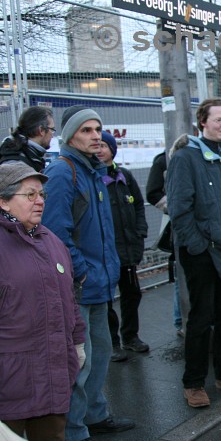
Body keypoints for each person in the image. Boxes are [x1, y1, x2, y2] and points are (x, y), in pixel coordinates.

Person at [0, 162, 86, 441]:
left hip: (52, 377)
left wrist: (77, 343)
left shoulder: (50, 240)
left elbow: (69, 299)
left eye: (41, 194)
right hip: (3, 382)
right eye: (29, 195)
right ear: (3, 201)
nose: (40, 200)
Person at [42, 105, 132, 441]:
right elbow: (56, 232)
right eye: (87, 130)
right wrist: (80, 272)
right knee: (79, 362)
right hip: (79, 285)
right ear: (70, 136)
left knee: (101, 354)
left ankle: (95, 415)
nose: (96, 136)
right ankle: (73, 436)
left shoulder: (93, 171)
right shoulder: (63, 173)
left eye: (98, 129)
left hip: (98, 283)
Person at [166, 98, 221, 409]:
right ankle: (193, 383)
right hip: (203, 256)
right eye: (218, 119)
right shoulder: (185, 159)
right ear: (202, 122)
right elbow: (179, 209)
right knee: (200, 321)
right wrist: (198, 247)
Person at [96, 131, 149, 363]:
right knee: (106, 300)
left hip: (128, 249)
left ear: (112, 150)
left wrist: (140, 232)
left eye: (104, 146)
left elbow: (138, 205)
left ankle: (130, 336)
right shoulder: (93, 178)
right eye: (97, 145)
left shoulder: (124, 176)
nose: (100, 150)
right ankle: (112, 342)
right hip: (105, 252)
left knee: (131, 294)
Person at [147, 126, 198, 338]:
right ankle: (180, 320)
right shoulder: (163, 161)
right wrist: (176, 207)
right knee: (181, 273)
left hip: (199, 227)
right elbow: (152, 192)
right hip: (178, 226)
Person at [0, 106, 55, 216]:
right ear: (41, 130)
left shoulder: (28, 154)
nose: (52, 135)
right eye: (52, 130)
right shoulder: (16, 162)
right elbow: (6, 209)